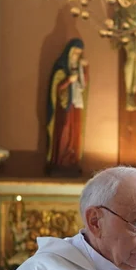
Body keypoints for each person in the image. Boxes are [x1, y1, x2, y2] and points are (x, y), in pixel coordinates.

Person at [46, 38, 88, 171]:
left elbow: (83, 85)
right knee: (65, 129)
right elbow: (56, 87)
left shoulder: (79, 66)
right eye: (74, 53)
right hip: (64, 105)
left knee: (75, 131)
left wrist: (85, 69)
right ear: (69, 52)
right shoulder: (61, 66)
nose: (76, 56)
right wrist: (68, 80)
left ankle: (72, 159)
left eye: (79, 53)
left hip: (76, 102)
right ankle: (60, 160)